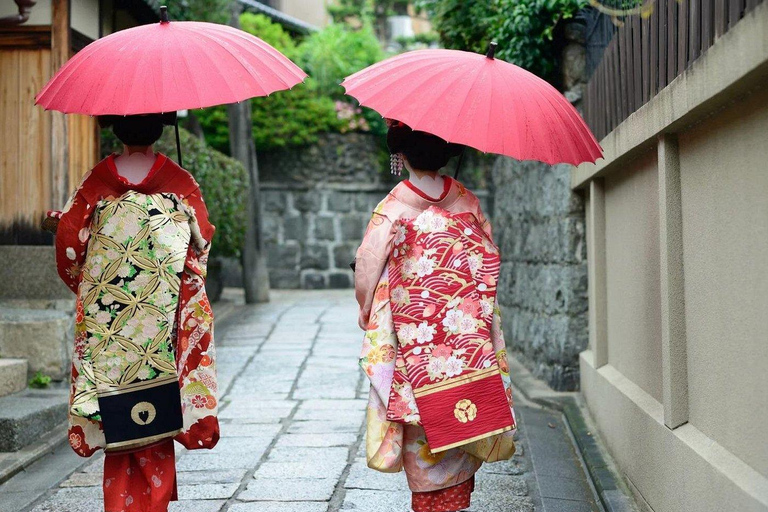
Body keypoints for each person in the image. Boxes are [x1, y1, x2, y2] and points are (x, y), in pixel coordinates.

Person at [49, 114, 219, 512]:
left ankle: (120, 503)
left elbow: (70, 247)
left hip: (110, 320)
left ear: (116, 131)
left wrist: (97, 290)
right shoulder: (179, 181)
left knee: (117, 412)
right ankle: (155, 502)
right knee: (159, 408)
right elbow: (201, 245)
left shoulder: (97, 181)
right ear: (160, 130)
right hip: (163, 317)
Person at [355, 120, 517, 512]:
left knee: (420, 412)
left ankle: (428, 500)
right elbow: (488, 258)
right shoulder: (465, 199)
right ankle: (456, 496)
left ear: (401, 156)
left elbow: (368, 265)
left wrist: (366, 308)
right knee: (463, 405)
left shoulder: (394, 205)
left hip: (415, 340)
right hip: (466, 336)